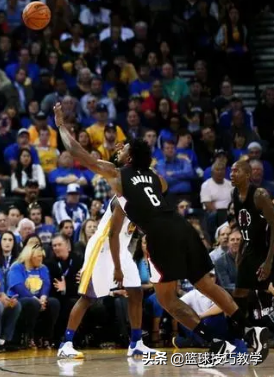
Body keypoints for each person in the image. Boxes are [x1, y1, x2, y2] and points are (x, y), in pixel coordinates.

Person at [54, 103, 267, 363]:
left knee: (167, 300)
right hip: (183, 227)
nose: (119, 151)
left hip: (159, 235)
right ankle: (247, 330)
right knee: (207, 285)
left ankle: (213, 343)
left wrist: (62, 126)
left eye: (124, 150)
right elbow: (159, 187)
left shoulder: (118, 175)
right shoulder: (156, 177)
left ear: (130, 158)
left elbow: (79, 153)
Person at [57, 194, 156, 359]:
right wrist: (117, 268)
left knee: (136, 292)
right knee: (88, 298)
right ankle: (65, 344)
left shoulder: (141, 201)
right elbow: (112, 235)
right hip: (102, 249)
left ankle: (136, 343)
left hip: (121, 250)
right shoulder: (121, 200)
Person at [230, 160, 274, 359]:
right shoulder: (234, 194)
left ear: (247, 175)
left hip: (266, 249)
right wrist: (240, 250)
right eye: (231, 170)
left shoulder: (260, 195)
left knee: (265, 291)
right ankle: (243, 335)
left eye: (236, 170)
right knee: (239, 292)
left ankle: (264, 332)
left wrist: (269, 261)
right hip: (249, 249)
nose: (232, 173)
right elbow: (243, 224)